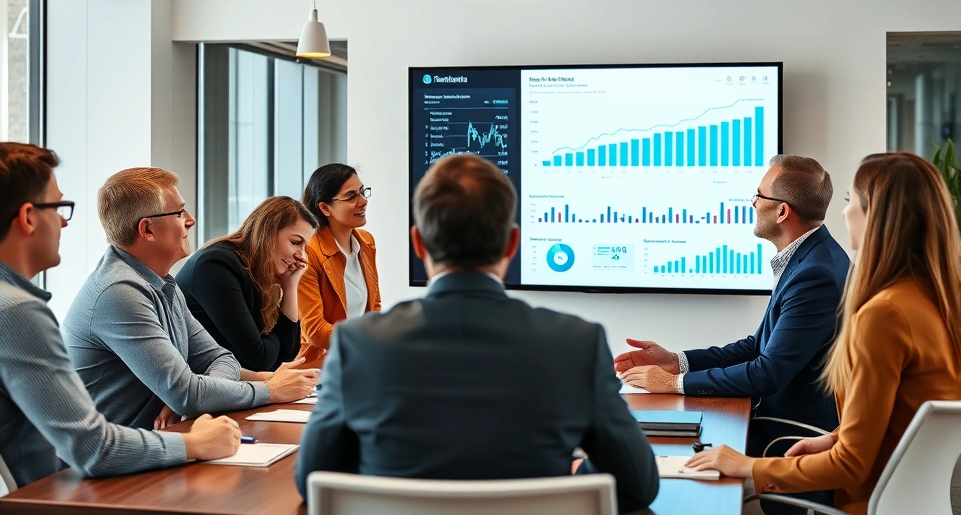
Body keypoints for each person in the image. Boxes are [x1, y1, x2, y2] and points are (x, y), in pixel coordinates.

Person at [294, 154, 659, 512]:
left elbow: (314, 476)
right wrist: (569, 487)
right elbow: (635, 483)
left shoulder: (359, 343)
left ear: (418, 244)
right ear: (512, 243)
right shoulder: (577, 342)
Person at [0, 143, 240, 487]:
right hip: (41, 500)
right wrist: (195, 443)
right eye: (58, 207)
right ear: (28, 218)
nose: (63, 222)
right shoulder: (14, 312)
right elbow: (93, 448)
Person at [686, 152, 961, 515]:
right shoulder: (938, 300)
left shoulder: (884, 314)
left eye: (850, 201)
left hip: (864, 501)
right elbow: (902, 416)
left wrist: (749, 467)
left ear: (876, 216)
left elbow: (851, 465)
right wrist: (833, 438)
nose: (844, 213)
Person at [615, 155, 850, 458]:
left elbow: (767, 372)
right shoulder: (811, 256)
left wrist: (674, 383)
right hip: (771, 421)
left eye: (759, 195)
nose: (753, 203)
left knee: (657, 454)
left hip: (787, 436)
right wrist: (677, 361)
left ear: (782, 211)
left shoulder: (814, 275)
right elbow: (757, 346)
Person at [62, 168, 319, 432]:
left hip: (155, 438)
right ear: (147, 229)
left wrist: (197, 392)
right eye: (179, 212)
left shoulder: (163, 283)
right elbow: (188, 395)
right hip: (118, 452)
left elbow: (221, 359)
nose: (190, 220)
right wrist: (269, 391)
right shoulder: (119, 293)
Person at [176, 196, 319, 372]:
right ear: (267, 232)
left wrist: (290, 287)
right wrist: (276, 338)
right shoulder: (216, 265)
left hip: (226, 379)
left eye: (305, 247)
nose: (301, 256)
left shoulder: (256, 273)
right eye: (296, 243)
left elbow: (288, 354)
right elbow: (258, 359)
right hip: (196, 383)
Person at [297, 163, 381, 368]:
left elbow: (374, 308)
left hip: (356, 359)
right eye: (351, 196)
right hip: (316, 368)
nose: (363, 201)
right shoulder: (309, 253)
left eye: (362, 192)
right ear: (325, 208)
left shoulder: (366, 242)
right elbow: (316, 332)